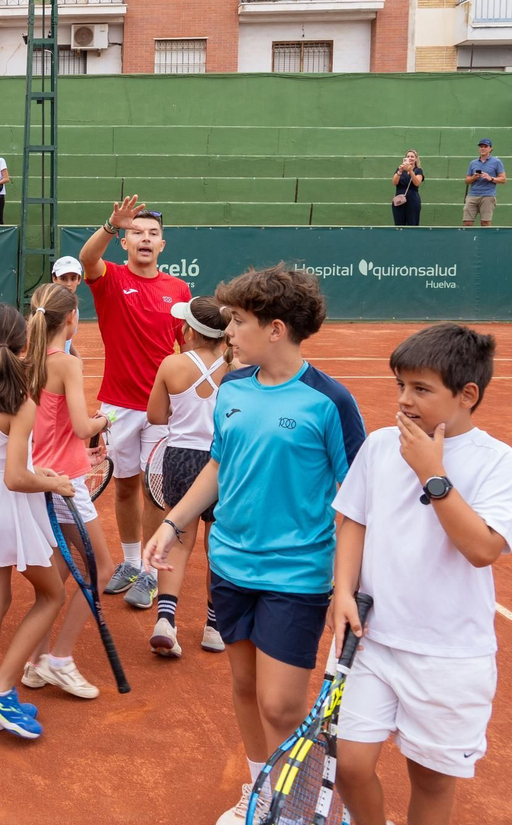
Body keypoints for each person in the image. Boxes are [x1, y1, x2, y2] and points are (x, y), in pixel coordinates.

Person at [144, 264, 366, 825]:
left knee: (281, 705)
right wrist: (173, 523)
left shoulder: (330, 401)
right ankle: (263, 791)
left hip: (296, 575)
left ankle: (295, 805)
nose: (229, 332)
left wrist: (349, 585)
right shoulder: (233, 388)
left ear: (276, 329)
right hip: (229, 565)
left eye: (239, 321)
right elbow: (219, 465)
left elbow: (359, 501)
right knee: (245, 687)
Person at [332, 325, 512, 825]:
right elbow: (354, 520)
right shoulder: (378, 446)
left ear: (467, 395)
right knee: (349, 765)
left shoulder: (497, 461)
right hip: (370, 641)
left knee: (431, 781)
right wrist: (342, 591)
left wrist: (431, 473)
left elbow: (481, 549)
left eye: (421, 389)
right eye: (401, 385)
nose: (404, 400)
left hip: (449, 656)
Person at [0, 303, 73, 738]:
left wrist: (32, 470)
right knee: (52, 594)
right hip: (9, 505)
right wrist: (53, 483)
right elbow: (15, 477)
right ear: (26, 345)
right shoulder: (22, 402)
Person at [80, 196, 192, 610]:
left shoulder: (178, 290)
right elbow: (87, 258)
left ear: (162, 244)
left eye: (153, 234)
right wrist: (110, 225)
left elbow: (188, 349)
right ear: (125, 242)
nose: (145, 239)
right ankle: (129, 562)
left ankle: (149, 571)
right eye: (137, 233)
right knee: (125, 486)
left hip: (163, 409)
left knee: (154, 491)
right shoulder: (109, 277)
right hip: (117, 407)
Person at [20, 282, 111, 700]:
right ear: (71, 319)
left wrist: (79, 448)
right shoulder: (67, 364)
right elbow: (80, 425)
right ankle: (59, 658)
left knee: (56, 574)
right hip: (65, 486)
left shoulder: (25, 361)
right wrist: (105, 421)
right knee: (101, 569)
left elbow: (50, 428)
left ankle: (35, 660)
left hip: (40, 478)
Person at [144, 296, 231, 659]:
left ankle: (166, 622)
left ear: (190, 332)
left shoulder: (172, 364)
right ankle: (214, 627)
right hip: (224, 462)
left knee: (177, 540)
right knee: (219, 545)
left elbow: (155, 416)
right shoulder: (236, 367)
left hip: (180, 459)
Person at [463, 138, 506, 228]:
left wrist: (490, 178)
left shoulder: (497, 162)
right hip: (472, 195)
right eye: (481, 147)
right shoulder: (473, 163)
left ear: (490, 148)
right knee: (467, 223)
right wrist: (474, 177)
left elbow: (503, 179)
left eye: (485, 146)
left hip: (488, 195)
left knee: (485, 223)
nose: (483, 148)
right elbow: (466, 181)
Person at [392, 149, 424, 227]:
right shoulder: (399, 169)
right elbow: (394, 182)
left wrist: (411, 171)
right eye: (408, 156)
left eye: (412, 156)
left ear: (416, 159)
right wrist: (400, 171)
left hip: (412, 199)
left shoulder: (418, 170)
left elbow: (417, 183)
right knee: (399, 224)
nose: (410, 158)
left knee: (412, 223)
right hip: (399, 199)